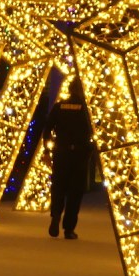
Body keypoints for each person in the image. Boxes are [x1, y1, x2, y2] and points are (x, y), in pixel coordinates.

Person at [43, 77, 93, 240]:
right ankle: (69, 228)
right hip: (79, 154)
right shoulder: (87, 109)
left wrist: (47, 149)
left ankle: (56, 215)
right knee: (75, 191)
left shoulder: (59, 106)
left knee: (58, 187)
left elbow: (47, 128)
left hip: (61, 152)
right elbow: (94, 132)